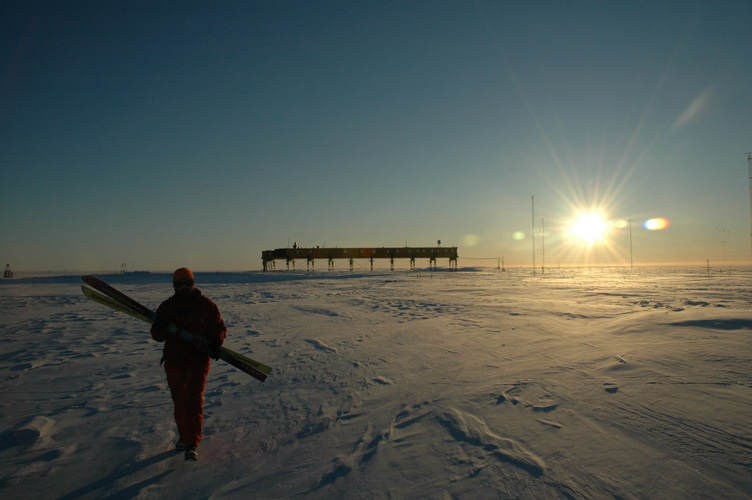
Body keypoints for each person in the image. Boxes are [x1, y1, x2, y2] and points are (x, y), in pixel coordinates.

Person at [150, 267, 227, 461]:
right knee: (180, 401)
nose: (184, 288)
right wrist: (159, 328)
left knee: (193, 401)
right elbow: (158, 336)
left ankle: (192, 443)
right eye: (179, 285)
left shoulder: (206, 306)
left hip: (198, 362)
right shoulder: (167, 307)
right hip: (174, 361)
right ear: (174, 286)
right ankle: (184, 437)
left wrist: (217, 342)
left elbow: (218, 327)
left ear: (194, 283)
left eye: (187, 283)